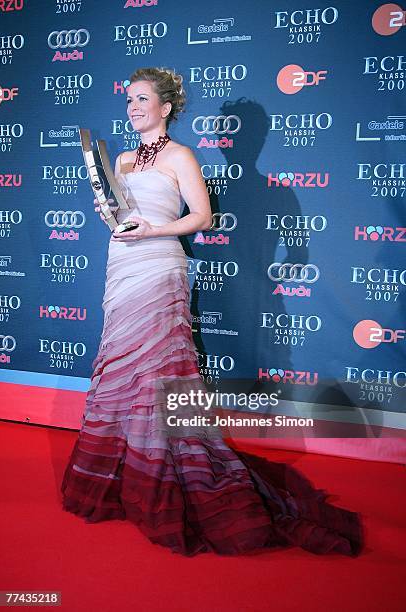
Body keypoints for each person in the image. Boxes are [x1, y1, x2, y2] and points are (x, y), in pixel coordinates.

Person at [61, 67, 363, 557]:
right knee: (120, 371)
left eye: (142, 100)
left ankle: (174, 471)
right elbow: (120, 214)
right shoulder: (119, 158)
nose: (133, 107)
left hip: (160, 267)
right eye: (129, 101)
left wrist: (152, 230)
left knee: (163, 374)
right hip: (122, 268)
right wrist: (111, 218)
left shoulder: (181, 156)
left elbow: (201, 218)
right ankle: (126, 474)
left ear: (165, 108)